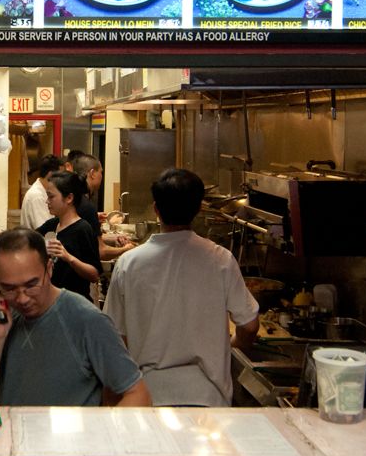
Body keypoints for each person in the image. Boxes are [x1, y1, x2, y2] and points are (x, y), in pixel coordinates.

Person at [104, 168, 259, 407]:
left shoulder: (129, 263)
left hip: (147, 396)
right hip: (209, 398)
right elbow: (249, 326)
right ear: (198, 209)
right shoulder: (221, 259)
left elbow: (115, 340)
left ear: (156, 209)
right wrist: (231, 345)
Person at [0, 228, 151, 408]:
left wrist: (100, 433)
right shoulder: (7, 316)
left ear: (49, 269)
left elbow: (138, 395)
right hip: (18, 437)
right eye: (10, 288)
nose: (22, 298)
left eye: (32, 284)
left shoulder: (86, 319)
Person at [35, 171, 102, 300]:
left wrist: (68, 257)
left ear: (69, 198)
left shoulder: (83, 229)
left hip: (74, 302)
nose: (47, 201)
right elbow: (30, 238)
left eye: (51, 197)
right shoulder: (52, 225)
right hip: (52, 300)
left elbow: (94, 274)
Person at [71, 153, 135, 261]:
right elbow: (101, 252)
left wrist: (114, 238)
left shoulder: (74, 199)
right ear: (92, 173)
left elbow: (87, 239)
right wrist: (127, 249)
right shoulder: (86, 207)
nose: (102, 176)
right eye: (101, 172)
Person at [20, 153, 62, 230]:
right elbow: (46, 231)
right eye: (59, 176)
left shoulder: (43, 191)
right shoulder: (37, 196)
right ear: (50, 175)